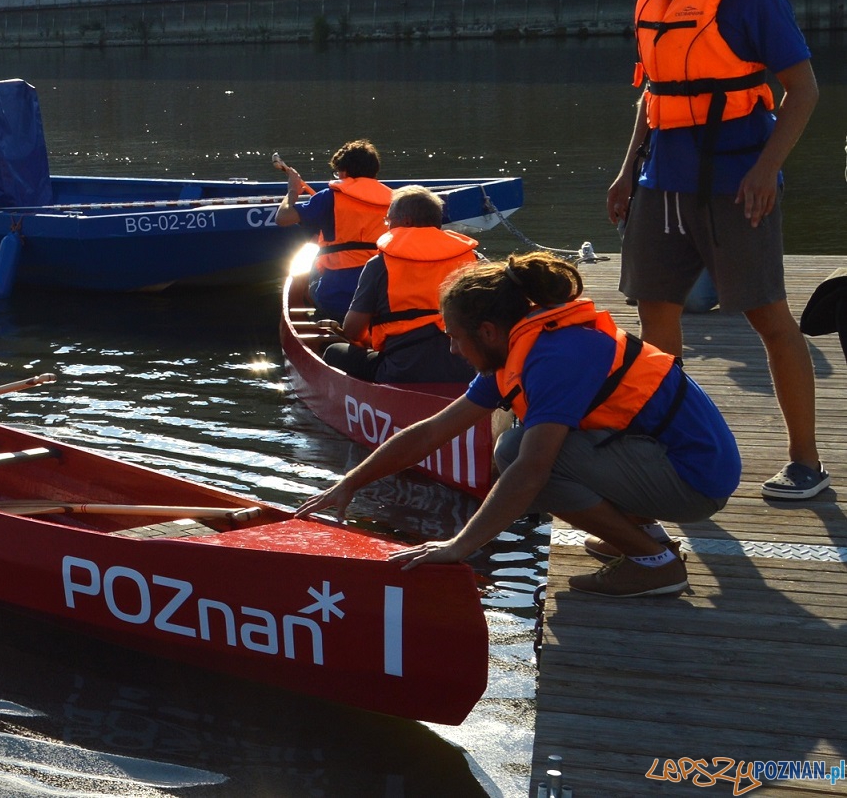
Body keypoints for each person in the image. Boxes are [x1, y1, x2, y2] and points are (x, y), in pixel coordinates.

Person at [296, 252, 741, 598]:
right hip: (662, 460)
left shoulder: (554, 356)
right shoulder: (521, 347)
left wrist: (459, 546)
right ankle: (640, 533)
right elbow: (433, 431)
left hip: (694, 480)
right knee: (517, 448)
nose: (451, 349)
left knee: (517, 455)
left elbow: (532, 472)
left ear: (488, 331)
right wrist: (350, 484)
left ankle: (654, 563)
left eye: (454, 335)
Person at [609, 0, 825, 500]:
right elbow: (654, 96)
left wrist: (766, 169)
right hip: (660, 181)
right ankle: (669, 447)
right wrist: (627, 172)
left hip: (735, 182)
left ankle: (805, 462)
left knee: (768, 316)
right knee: (654, 315)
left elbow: (803, 91)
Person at [320, 185, 479, 384]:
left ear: (406, 221)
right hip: (467, 371)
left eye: (388, 219)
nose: (386, 225)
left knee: (334, 352)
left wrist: (371, 341)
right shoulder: (473, 258)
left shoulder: (380, 264)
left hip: (402, 372)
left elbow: (352, 330)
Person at [275, 140, 393, 320]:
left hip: (337, 300)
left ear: (344, 172)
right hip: (383, 301)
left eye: (337, 173)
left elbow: (283, 218)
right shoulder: (396, 200)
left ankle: (323, 314)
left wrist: (292, 191)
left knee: (311, 261)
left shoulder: (329, 197)